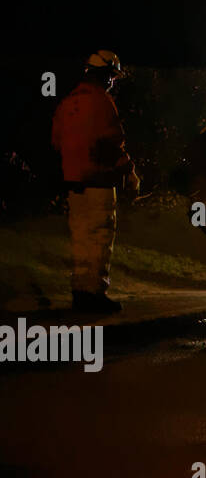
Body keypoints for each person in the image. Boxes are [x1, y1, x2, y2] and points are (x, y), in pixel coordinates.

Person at [50, 50, 140, 313]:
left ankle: (80, 291)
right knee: (100, 238)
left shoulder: (68, 102)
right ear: (105, 75)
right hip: (99, 181)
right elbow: (112, 141)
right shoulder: (101, 102)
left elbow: (56, 141)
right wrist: (129, 173)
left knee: (80, 238)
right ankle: (95, 294)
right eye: (112, 77)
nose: (112, 82)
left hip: (74, 181)